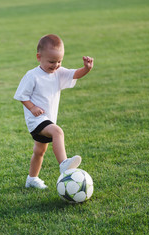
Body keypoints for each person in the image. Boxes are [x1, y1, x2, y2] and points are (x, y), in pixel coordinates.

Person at [14, 34, 94, 189]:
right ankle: (64, 165)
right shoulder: (32, 76)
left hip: (48, 118)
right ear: (39, 57)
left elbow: (74, 74)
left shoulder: (58, 72)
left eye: (59, 61)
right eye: (51, 61)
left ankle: (32, 178)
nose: (56, 65)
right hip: (36, 119)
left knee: (39, 151)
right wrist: (33, 107)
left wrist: (86, 69)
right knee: (57, 132)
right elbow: (21, 95)